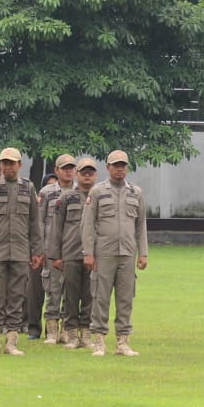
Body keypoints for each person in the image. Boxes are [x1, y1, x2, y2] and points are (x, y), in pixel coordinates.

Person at [81, 151, 148, 357]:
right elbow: (88, 224)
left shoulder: (135, 192)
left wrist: (143, 252)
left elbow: (141, 225)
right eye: (115, 165)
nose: (120, 169)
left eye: (123, 165)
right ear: (108, 167)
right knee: (100, 297)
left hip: (127, 253)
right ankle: (99, 341)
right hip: (104, 253)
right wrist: (88, 253)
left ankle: (123, 342)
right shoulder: (98, 191)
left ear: (127, 168)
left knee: (125, 298)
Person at [0, 147, 43, 356]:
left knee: (17, 296)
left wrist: (37, 250)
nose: (8, 167)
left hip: (21, 250)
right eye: (4, 163)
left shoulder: (28, 187)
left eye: (12, 163)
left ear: (19, 165)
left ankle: (12, 342)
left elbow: (34, 221)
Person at [51, 155, 99, 349]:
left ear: (95, 175)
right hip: (70, 253)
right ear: (77, 175)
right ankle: (71, 333)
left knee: (89, 295)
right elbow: (56, 228)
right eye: (83, 172)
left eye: (91, 172)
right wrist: (56, 255)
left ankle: (86, 333)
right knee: (70, 295)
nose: (87, 176)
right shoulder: (66, 197)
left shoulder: (99, 196)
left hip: (93, 254)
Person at [37, 153, 76, 345]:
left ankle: (67, 331)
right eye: (65, 168)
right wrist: (40, 250)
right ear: (56, 170)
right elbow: (39, 222)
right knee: (52, 289)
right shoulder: (46, 192)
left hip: (73, 249)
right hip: (50, 249)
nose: (69, 171)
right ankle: (51, 329)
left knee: (71, 290)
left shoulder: (84, 191)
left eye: (71, 168)